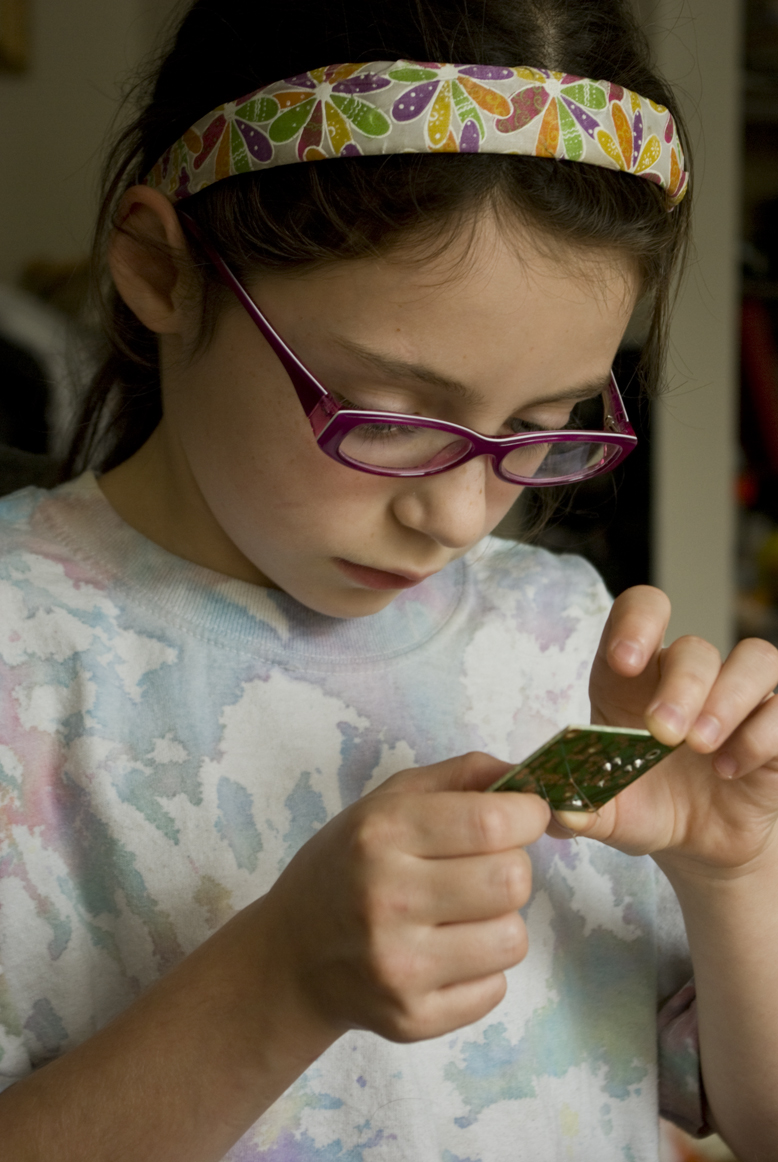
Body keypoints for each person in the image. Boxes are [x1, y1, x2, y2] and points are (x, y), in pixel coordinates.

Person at [0, 2, 776, 1160]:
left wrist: (736, 871)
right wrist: (277, 982)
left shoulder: (562, 642)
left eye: (541, 426)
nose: (455, 513)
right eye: (390, 415)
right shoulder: (25, 648)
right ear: (162, 270)